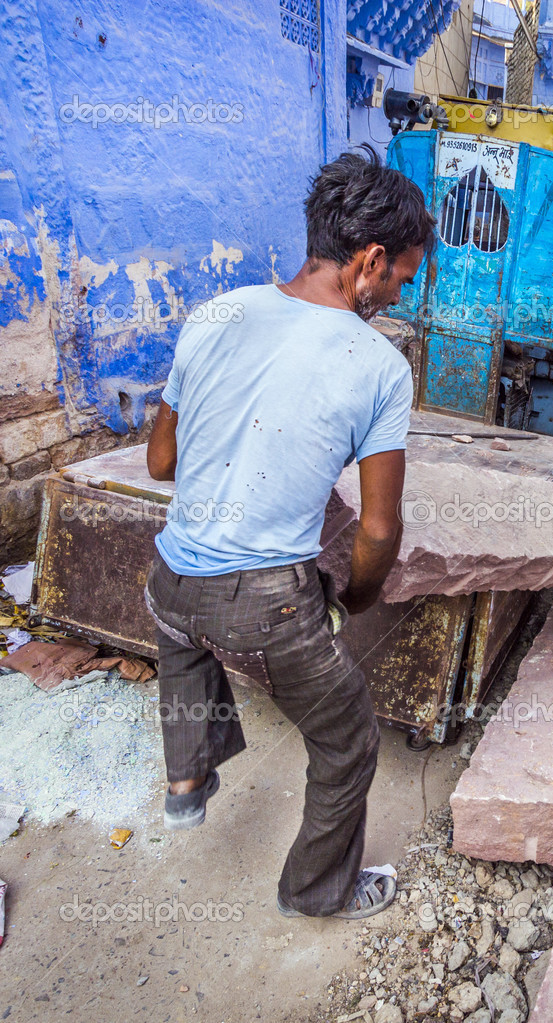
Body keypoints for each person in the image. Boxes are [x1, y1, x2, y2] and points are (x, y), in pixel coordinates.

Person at [144, 149, 436, 921]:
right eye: (402, 277)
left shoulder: (215, 313)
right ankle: (316, 892)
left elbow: (162, 459)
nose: (398, 294)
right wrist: (356, 596)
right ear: (369, 261)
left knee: (183, 623)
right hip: (263, 607)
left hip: (168, 582)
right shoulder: (380, 365)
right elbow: (377, 527)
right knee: (348, 740)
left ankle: (186, 782)